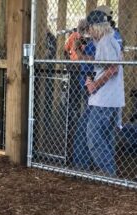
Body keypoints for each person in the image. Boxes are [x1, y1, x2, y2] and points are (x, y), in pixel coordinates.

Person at [72, 10, 125, 176]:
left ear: (96, 27)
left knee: (93, 136)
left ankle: (108, 174)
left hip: (105, 99)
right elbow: (101, 63)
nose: (89, 32)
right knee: (106, 138)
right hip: (109, 99)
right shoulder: (105, 40)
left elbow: (113, 68)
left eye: (90, 28)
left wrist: (95, 85)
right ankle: (110, 175)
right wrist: (81, 55)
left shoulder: (106, 42)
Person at [64, 19, 89, 156]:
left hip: (84, 69)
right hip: (74, 68)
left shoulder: (90, 39)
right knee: (73, 97)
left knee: (85, 96)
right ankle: (73, 116)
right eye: (80, 28)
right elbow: (65, 49)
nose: (81, 30)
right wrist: (68, 64)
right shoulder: (74, 36)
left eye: (83, 28)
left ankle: (82, 117)